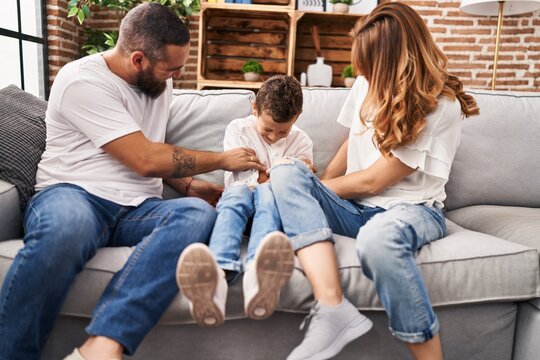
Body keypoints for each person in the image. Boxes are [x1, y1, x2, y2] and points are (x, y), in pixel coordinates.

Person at [0, 3, 266, 360]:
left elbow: (148, 146)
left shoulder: (158, 85)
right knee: (68, 227)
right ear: (138, 59)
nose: (175, 76)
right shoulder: (82, 80)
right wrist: (221, 159)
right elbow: (144, 158)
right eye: (170, 68)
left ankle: (102, 344)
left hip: (138, 208)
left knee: (196, 215)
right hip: (74, 194)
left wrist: (189, 186)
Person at [266, 3, 480, 360]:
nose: (360, 74)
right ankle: (333, 309)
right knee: (286, 172)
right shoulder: (367, 83)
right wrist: (313, 183)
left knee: (377, 242)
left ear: (396, 61)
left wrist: (312, 191)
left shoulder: (442, 106)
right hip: (353, 207)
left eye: (368, 67)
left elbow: (374, 181)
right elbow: (351, 141)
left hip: (410, 209)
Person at [176, 75, 314, 327]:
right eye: (268, 129)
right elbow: (248, 179)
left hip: (274, 212)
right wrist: (273, 175)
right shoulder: (238, 129)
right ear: (254, 108)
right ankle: (218, 274)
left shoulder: (302, 141)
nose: (274, 137)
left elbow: (295, 184)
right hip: (238, 204)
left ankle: (256, 274)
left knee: (268, 194)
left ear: (298, 116)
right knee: (239, 192)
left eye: (283, 131)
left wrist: (267, 177)